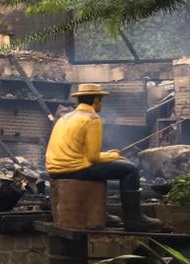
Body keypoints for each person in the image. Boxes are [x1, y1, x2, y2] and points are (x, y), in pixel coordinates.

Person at [46, 83, 163, 231]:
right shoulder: (92, 119)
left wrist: (108, 155)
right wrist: (114, 156)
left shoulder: (65, 118)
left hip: (55, 169)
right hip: (73, 168)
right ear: (96, 100)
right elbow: (93, 158)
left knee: (105, 168)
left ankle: (101, 213)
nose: (101, 104)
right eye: (100, 100)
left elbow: (83, 154)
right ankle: (134, 219)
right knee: (130, 170)